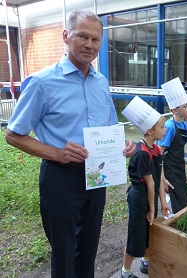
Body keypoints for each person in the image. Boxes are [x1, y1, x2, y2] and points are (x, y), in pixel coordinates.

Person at [5, 10, 135, 278]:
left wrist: (124, 144)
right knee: (64, 254)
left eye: (96, 39)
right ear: (66, 36)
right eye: (82, 36)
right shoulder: (43, 83)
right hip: (60, 178)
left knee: (88, 249)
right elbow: (13, 135)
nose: (89, 44)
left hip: (97, 175)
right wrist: (56, 153)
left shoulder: (100, 83)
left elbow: (110, 127)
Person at [121, 96, 170, 278]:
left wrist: (163, 202)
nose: (165, 130)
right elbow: (149, 183)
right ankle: (125, 272)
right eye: (162, 127)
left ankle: (145, 263)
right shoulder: (142, 154)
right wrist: (151, 208)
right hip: (139, 197)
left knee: (150, 230)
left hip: (150, 197)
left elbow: (159, 177)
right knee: (135, 235)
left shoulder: (156, 150)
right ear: (150, 131)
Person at [158, 77, 187, 214]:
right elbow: (160, 153)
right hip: (169, 169)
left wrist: (184, 170)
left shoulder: (185, 125)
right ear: (174, 109)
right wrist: (163, 178)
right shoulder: (169, 127)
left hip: (179, 168)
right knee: (174, 202)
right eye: (186, 106)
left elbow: (180, 150)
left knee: (183, 200)